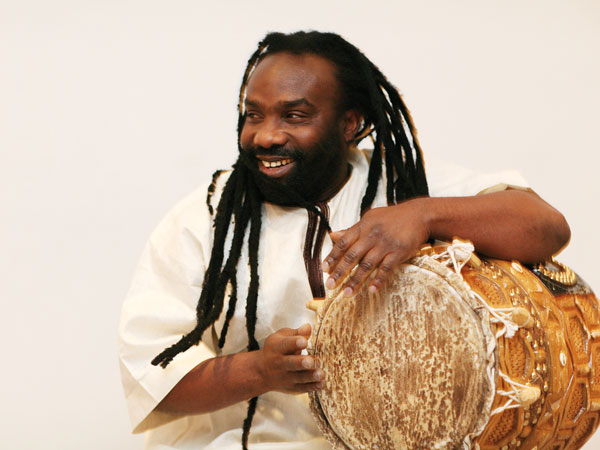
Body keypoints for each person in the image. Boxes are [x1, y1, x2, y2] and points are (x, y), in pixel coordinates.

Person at [118, 31, 570, 449]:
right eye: (254, 115)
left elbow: (547, 226)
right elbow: (152, 378)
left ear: (349, 122)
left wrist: (423, 215)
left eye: (294, 115)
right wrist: (259, 370)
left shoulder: (402, 183)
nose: (267, 135)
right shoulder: (205, 218)